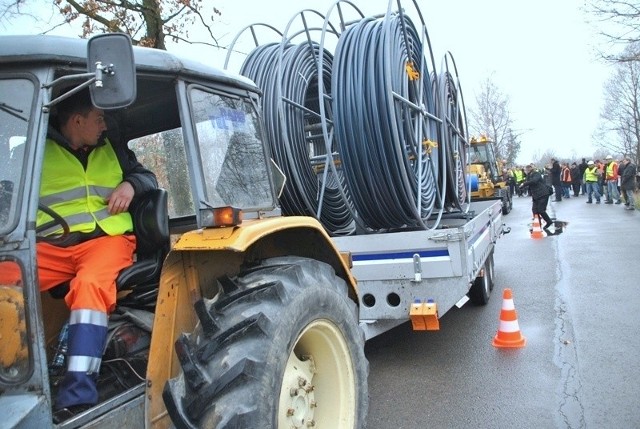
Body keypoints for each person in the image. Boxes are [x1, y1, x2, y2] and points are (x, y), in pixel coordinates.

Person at [34, 89, 157, 420]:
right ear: (77, 120)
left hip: (106, 242)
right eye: (98, 118)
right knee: (7, 275)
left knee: (90, 286)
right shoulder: (34, 152)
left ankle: (76, 393)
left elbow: (147, 176)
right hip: (52, 246)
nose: (105, 124)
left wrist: (131, 185)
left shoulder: (112, 148)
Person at [520, 164, 554, 230]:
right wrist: (522, 186)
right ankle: (538, 224)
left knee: (541, 210)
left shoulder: (536, 174)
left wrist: (524, 184)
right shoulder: (529, 176)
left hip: (543, 194)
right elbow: (529, 183)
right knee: (535, 210)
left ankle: (549, 221)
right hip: (536, 195)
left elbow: (534, 181)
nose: (524, 171)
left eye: (525, 170)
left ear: (528, 170)